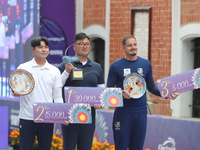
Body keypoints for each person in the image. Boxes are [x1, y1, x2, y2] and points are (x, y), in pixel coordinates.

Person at [106, 35, 179, 150]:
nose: (133, 47)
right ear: (123, 48)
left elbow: (152, 87)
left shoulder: (145, 64)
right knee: (121, 147)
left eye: (134, 44)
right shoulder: (116, 66)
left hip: (140, 113)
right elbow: (108, 90)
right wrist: (121, 94)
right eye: (129, 45)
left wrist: (167, 94)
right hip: (123, 113)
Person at [11, 37, 64, 150]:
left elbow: (57, 95)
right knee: (25, 147)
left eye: (46, 47)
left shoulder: (54, 71)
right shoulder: (23, 68)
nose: (44, 50)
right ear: (33, 49)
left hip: (47, 117)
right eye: (40, 47)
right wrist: (15, 93)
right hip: (27, 116)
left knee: (45, 147)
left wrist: (62, 113)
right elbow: (16, 89)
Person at [58, 32, 105, 150]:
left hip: (89, 116)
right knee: (68, 147)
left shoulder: (96, 67)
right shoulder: (65, 64)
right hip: (69, 115)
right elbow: (56, 86)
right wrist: (66, 71)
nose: (84, 46)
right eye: (81, 44)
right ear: (74, 47)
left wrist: (100, 102)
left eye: (87, 44)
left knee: (85, 147)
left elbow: (101, 90)